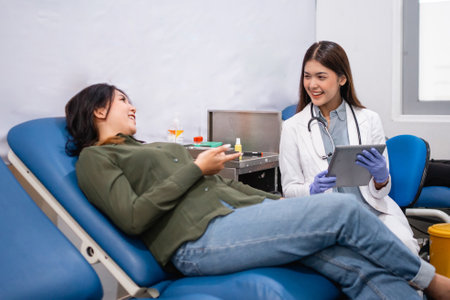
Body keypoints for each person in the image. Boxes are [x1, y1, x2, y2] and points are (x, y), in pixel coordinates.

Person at [65, 83, 450, 300]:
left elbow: (225, 194)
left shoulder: (145, 148)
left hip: (235, 219)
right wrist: (196, 168)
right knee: (341, 212)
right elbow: (132, 217)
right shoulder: (94, 159)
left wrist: (279, 202)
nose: (132, 107)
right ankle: (433, 282)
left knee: (351, 263)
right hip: (197, 242)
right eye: (123, 100)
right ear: (99, 110)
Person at [279, 41, 419, 254]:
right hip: (324, 216)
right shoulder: (292, 128)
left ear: (342, 79)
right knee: (349, 257)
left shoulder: (369, 119)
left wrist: (381, 179)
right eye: (307, 76)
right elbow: (289, 190)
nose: (312, 84)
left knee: (405, 248)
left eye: (321, 77)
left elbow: (382, 190)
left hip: (371, 211)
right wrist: (311, 190)